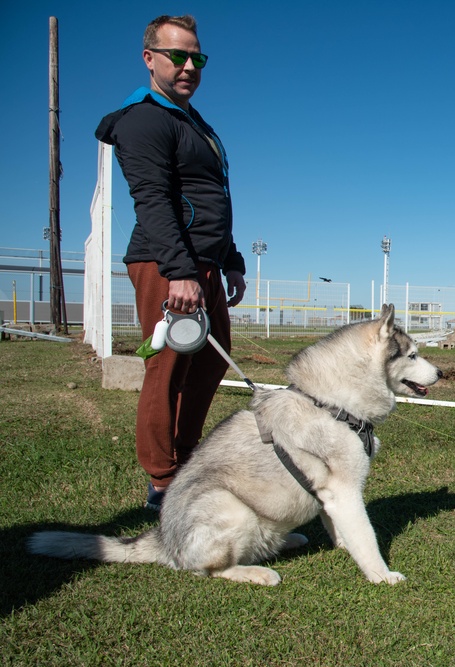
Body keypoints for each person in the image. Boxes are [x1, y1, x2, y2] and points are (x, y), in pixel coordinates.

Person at [95, 15, 246, 509]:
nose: (187, 66)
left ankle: (185, 460)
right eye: (176, 55)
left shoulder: (194, 123)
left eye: (196, 57)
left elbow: (211, 198)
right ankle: (162, 483)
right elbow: (153, 200)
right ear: (150, 58)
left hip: (203, 262)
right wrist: (179, 271)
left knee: (209, 362)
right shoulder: (144, 119)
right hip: (168, 264)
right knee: (166, 370)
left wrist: (232, 261)